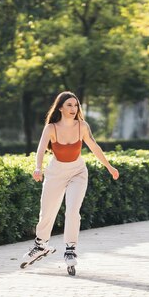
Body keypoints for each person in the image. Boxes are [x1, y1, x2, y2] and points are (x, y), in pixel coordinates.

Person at [22, 91, 119, 275]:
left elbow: (94, 147)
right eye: (69, 105)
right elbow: (41, 150)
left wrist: (109, 167)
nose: (73, 109)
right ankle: (41, 245)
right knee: (47, 211)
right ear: (60, 107)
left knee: (73, 210)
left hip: (78, 172)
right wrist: (37, 168)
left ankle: (70, 249)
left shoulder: (82, 126)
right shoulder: (51, 128)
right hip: (55, 172)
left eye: (75, 105)